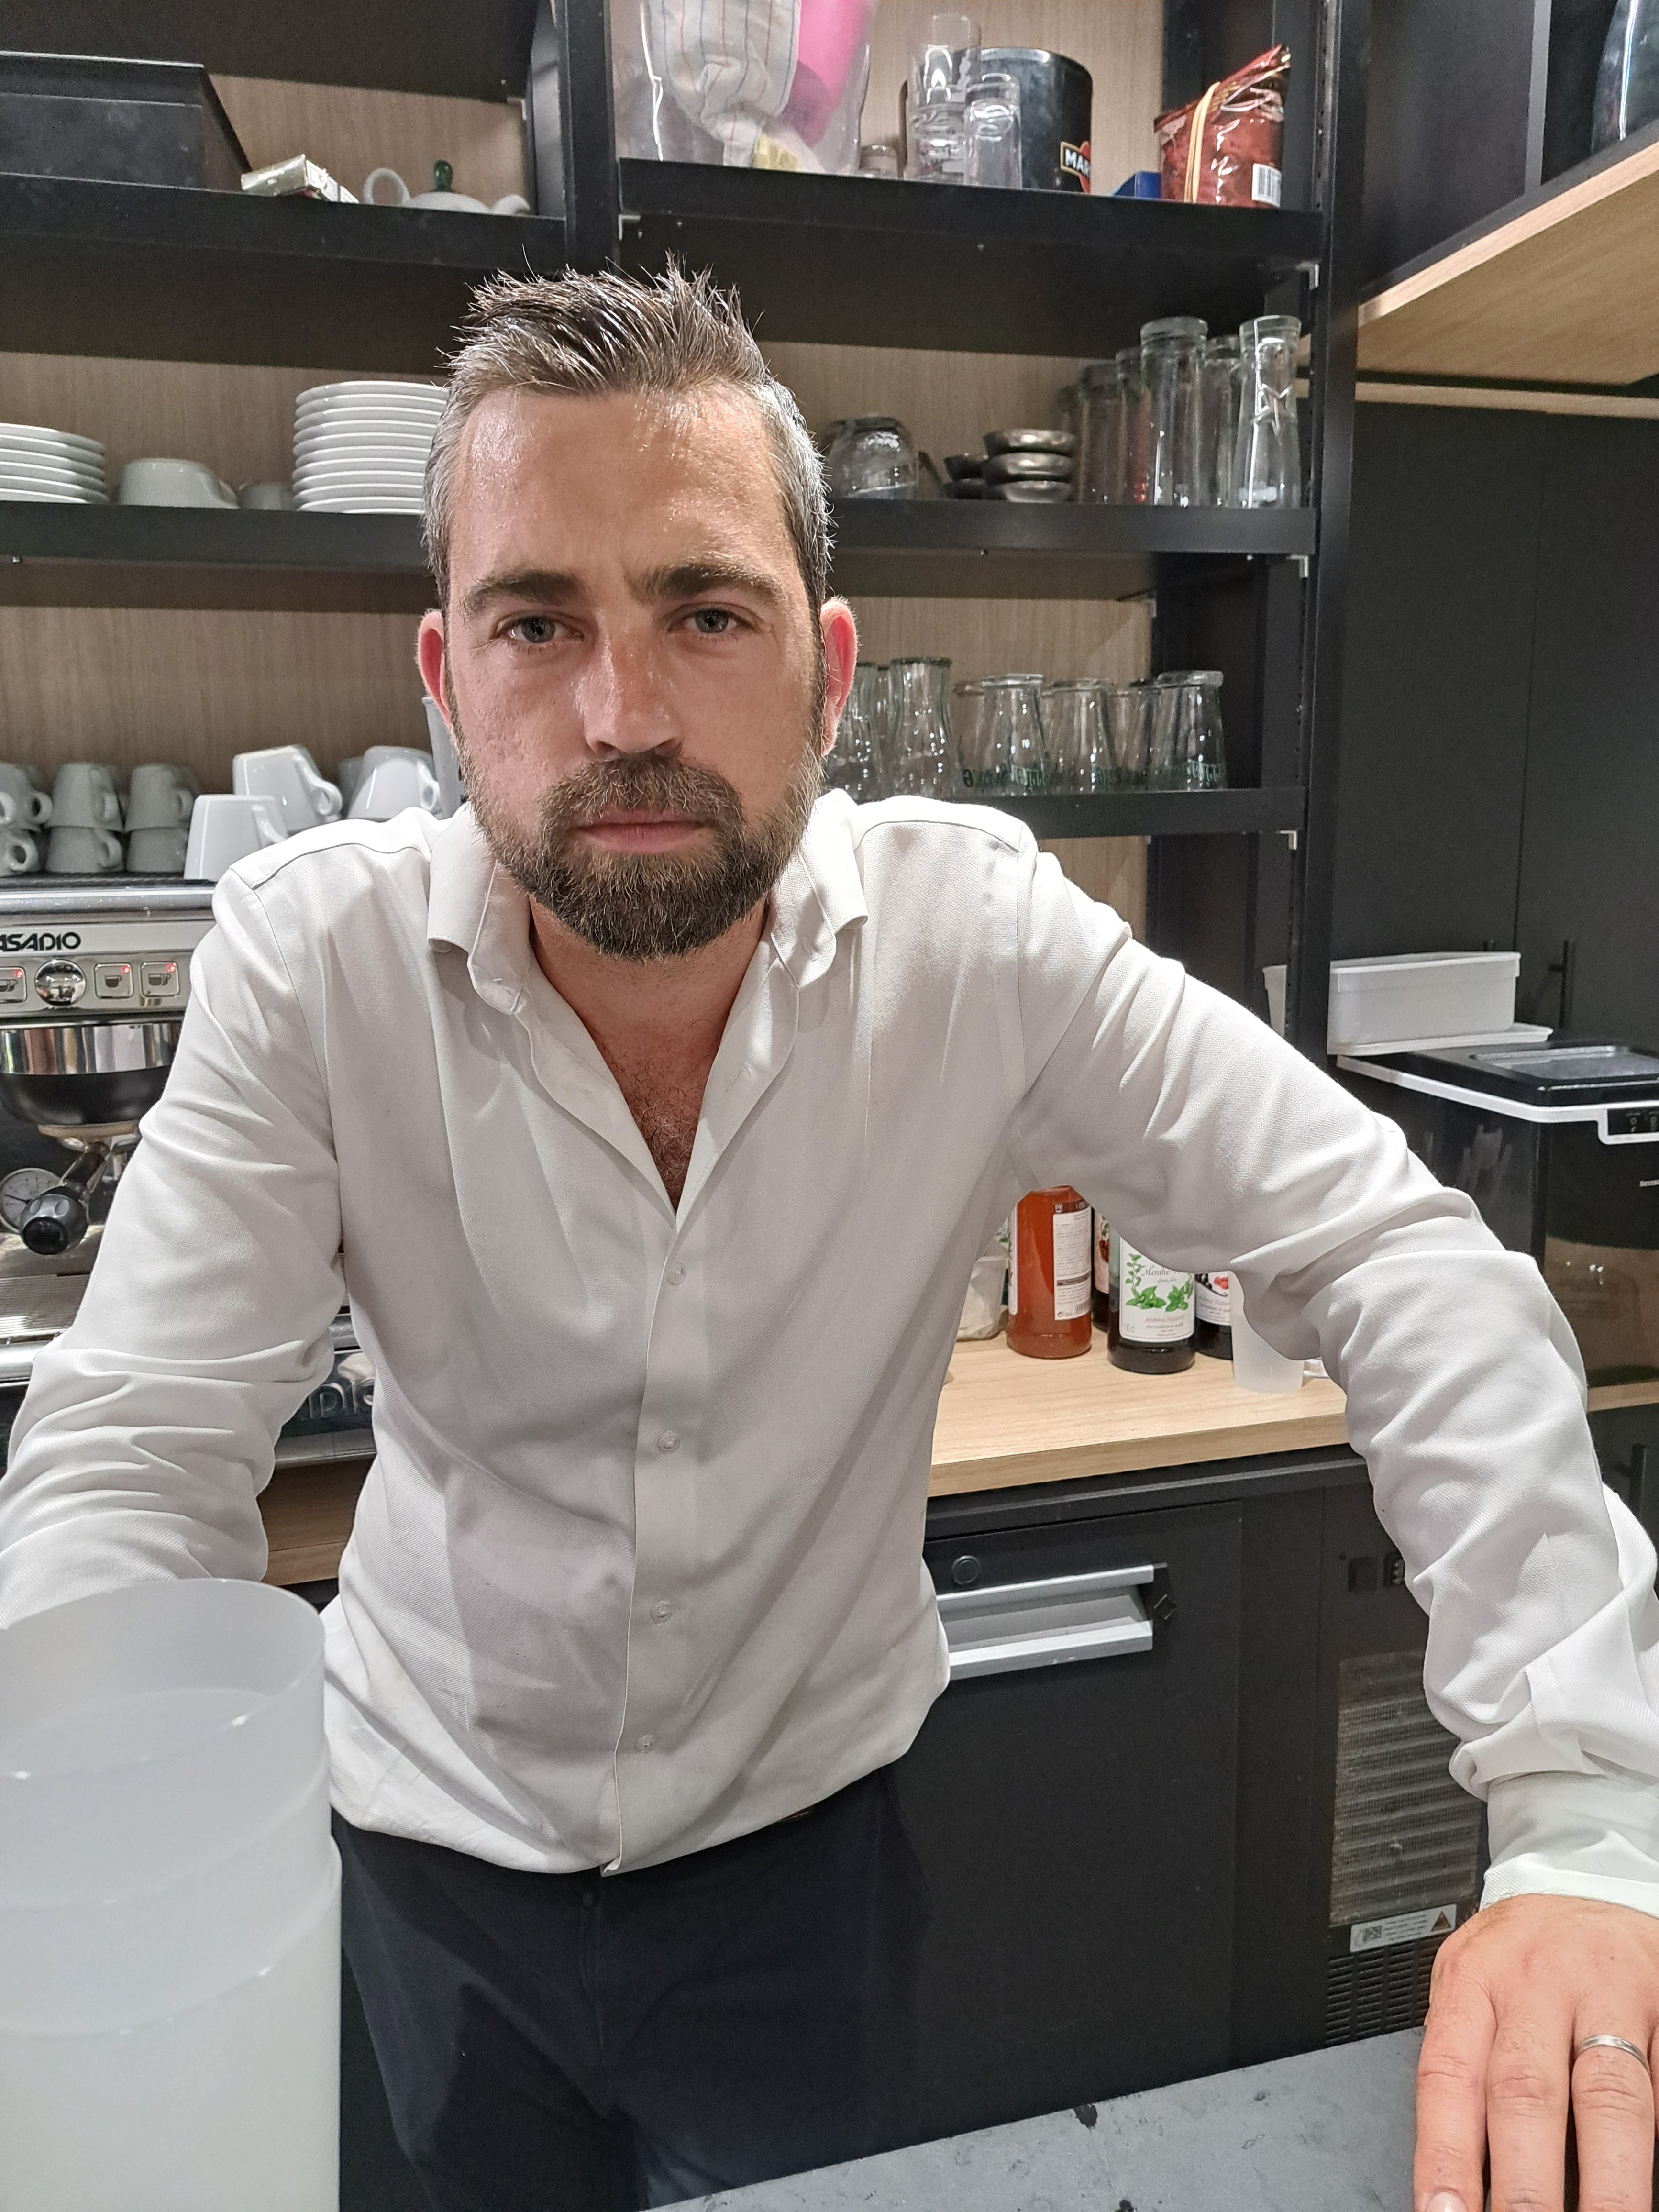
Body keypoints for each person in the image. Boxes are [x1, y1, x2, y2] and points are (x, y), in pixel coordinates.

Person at [0, 265, 1655, 2212]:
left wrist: (1584, 1823)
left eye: (706, 613)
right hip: (424, 1844)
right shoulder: (314, 964)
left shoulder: (976, 943)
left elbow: (1397, 1257)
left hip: (803, 1859)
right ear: (445, 680)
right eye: (538, 622)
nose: (623, 715)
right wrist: (78, 1856)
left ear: (830, 670)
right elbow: (137, 1447)